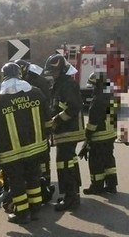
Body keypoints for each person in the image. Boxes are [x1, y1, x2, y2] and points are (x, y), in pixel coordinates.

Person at [0, 62, 49, 225]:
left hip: (11, 152)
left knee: (16, 182)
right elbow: (47, 119)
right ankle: (35, 210)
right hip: (37, 148)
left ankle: (22, 214)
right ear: (20, 75)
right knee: (34, 178)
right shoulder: (36, 93)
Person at [44, 53, 85, 212]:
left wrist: (56, 121)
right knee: (70, 162)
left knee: (64, 164)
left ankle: (71, 198)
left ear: (61, 71)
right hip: (65, 131)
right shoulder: (60, 84)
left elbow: (73, 107)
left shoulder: (67, 85)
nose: (52, 75)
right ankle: (72, 193)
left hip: (68, 131)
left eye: (54, 72)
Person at [14, 59, 53, 193]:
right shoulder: (39, 80)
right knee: (43, 152)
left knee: (36, 154)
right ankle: (45, 179)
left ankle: (40, 180)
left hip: (33, 123)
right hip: (41, 122)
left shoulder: (30, 84)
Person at [80, 72, 119, 195]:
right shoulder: (112, 97)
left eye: (93, 86)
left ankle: (96, 187)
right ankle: (111, 185)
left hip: (99, 136)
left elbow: (93, 122)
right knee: (108, 161)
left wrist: (87, 138)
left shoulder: (97, 100)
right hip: (110, 135)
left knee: (96, 162)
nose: (92, 89)